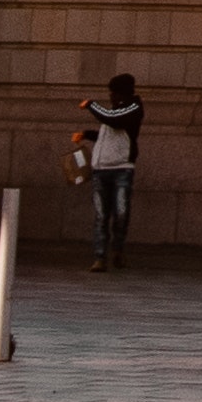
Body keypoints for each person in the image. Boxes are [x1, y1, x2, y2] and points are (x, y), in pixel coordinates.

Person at [75, 70, 142, 269]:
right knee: (101, 215)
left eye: (114, 93)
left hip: (122, 169)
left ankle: (118, 250)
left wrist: (91, 104)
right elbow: (109, 135)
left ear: (124, 93)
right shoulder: (114, 111)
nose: (111, 97)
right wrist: (87, 134)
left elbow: (113, 119)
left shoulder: (133, 109)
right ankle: (100, 256)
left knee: (121, 212)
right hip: (100, 170)